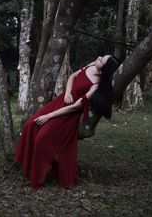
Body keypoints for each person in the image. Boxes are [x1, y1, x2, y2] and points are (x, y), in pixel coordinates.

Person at [14, 55, 120, 189]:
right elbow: (73, 76)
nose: (98, 58)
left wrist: (48, 116)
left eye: (101, 60)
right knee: (30, 123)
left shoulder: (96, 86)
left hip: (68, 115)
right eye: (101, 57)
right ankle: (26, 166)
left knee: (42, 139)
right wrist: (68, 92)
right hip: (60, 101)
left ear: (104, 69)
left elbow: (76, 107)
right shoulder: (92, 65)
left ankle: (36, 179)